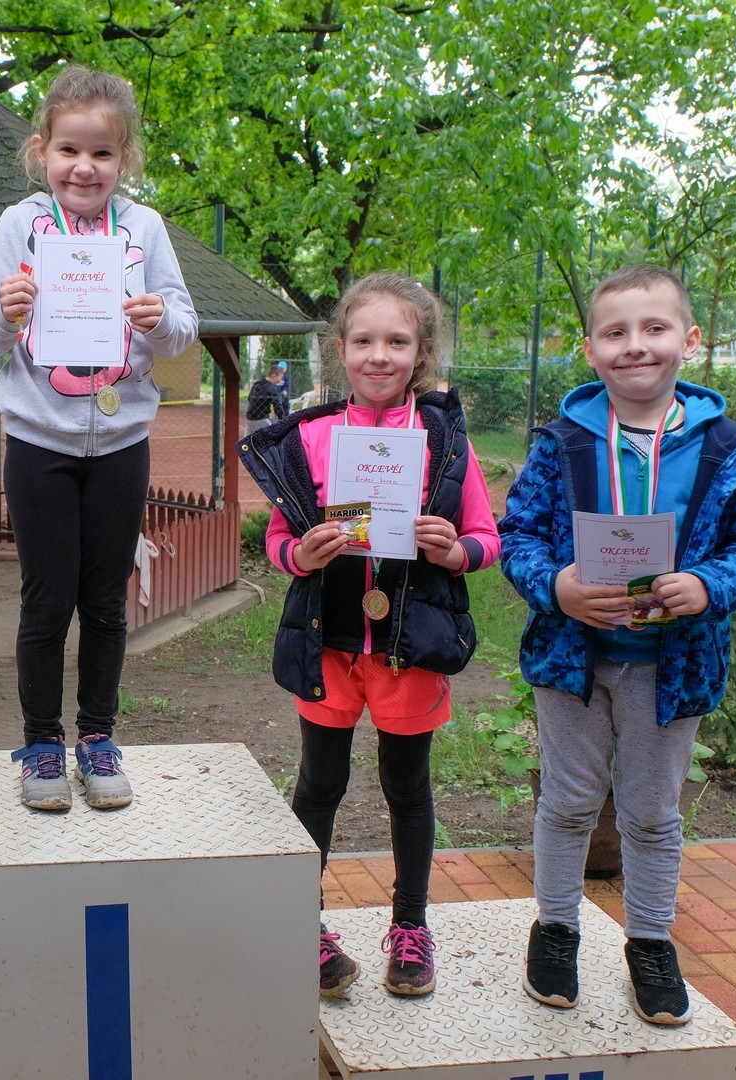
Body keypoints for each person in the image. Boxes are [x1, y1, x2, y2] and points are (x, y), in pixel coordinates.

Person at [499, 264, 736, 1025]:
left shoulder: (730, 448)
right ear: (590, 349)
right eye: (615, 332)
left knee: (653, 813)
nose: (635, 345)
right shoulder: (562, 443)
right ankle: (555, 930)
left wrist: (709, 585)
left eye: (654, 328)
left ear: (690, 340)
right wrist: (556, 586)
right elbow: (516, 534)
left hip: (672, 667)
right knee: (567, 803)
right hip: (573, 660)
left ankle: (651, 941)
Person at [237, 272, 500, 998]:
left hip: (408, 650)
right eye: (363, 340)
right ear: (341, 349)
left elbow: (486, 536)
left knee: (407, 788)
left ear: (421, 353)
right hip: (329, 644)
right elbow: (280, 540)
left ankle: (411, 928)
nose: (379, 355)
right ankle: (301, 920)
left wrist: (455, 551)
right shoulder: (310, 438)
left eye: (397, 341)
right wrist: (300, 555)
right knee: (319, 784)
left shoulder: (445, 442)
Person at [0, 64, 198, 812]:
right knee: (46, 603)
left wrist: (158, 319)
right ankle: (41, 745)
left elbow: (185, 329)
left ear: (124, 157)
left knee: (105, 603)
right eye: (69, 149)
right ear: (42, 150)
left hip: (121, 443)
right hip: (40, 444)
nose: (84, 167)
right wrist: (6, 313)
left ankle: (97, 739)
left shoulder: (144, 229)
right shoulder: (18, 226)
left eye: (102, 152)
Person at [246, 363, 290, 433]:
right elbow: (277, 406)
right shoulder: (271, 388)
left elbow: (249, 398)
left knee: (249, 437)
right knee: (269, 436)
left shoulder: (257, 384)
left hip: (249, 417)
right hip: (261, 419)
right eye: (280, 378)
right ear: (274, 376)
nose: (280, 381)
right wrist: (283, 420)